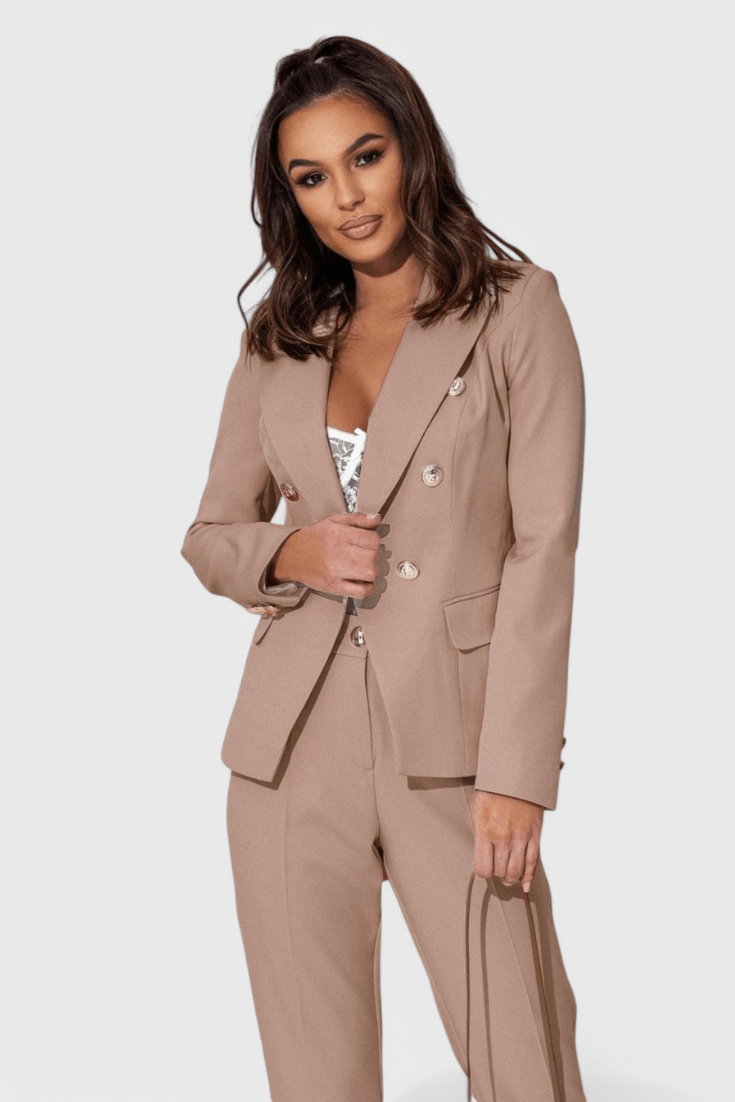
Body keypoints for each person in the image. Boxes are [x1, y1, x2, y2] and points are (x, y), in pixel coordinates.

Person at [180, 34, 587, 1102]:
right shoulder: (281, 335)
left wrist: (517, 772)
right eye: (311, 176)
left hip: (455, 746)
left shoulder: (516, 307)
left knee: (523, 1059)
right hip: (287, 750)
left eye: (365, 156)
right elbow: (212, 532)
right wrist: (292, 550)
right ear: (289, 195)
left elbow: (544, 546)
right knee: (314, 1079)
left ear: (411, 146)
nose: (347, 197)